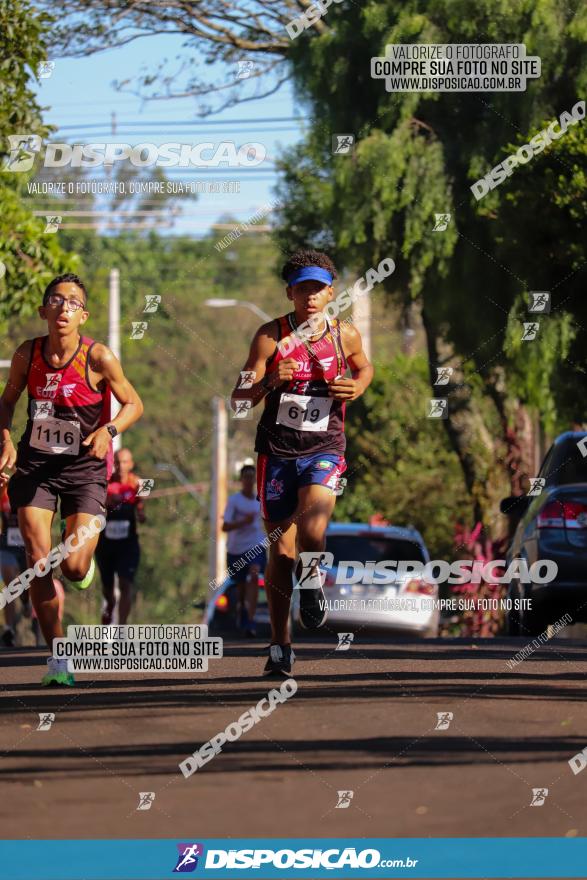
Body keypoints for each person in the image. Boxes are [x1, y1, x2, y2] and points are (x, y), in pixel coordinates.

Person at [231, 249, 373, 676]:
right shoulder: (268, 337)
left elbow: (365, 369)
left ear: (330, 292)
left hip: (324, 449)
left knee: (313, 528)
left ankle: (311, 587)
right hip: (276, 454)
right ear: (290, 293)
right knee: (282, 551)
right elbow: (238, 400)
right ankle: (280, 646)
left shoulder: (344, 335)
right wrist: (270, 381)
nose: (310, 296)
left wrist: (356, 387)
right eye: (302, 288)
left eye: (318, 288)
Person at [0, 273, 144, 686]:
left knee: (74, 563)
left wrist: (110, 430)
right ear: (43, 310)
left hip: (84, 469)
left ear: (84, 314)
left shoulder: (98, 357)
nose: (64, 308)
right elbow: (7, 401)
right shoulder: (27, 354)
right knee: (37, 562)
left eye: (73, 303)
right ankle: (58, 658)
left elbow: (134, 404)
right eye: (56, 301)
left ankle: (82, 567)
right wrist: (7, 441)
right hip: (35, 467)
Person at [96, 447, 146, 625]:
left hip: (128, 544)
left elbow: (142, 513)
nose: (121, 465)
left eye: (125, 462)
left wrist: (141, 513)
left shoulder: (137, 484)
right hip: (106, 544)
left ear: (131, 464)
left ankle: (122, 627)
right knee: (107, 588)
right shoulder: (105, 484)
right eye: (117, 461)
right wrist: (108, 502)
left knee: (126, 584)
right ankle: (110, 604)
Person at [222, 463, 266, 637]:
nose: (249, 480)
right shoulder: (234, 501)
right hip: (236, 549)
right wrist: (243, 522)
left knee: (254, 575)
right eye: (245, 477)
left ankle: (251, 619)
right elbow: (224, 526)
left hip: (256, 545)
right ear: (241, 480)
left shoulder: (259, 500)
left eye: (251, 477)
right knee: (240, 588)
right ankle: (241, 608)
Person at [0, 482, 30, 646]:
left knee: (27, 585)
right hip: (7, 546)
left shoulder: (32, 494)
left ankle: (26, 601)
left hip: (28, 547)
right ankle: (9, 629)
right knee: (10, 586)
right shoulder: (4, 494)